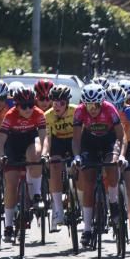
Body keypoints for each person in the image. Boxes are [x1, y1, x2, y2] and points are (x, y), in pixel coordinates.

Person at [72, 84, 124, 248]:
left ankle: (114, 202)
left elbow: (120, 136)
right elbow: (76, 139)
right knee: (88, 183)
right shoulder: (79, 111)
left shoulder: (110, 109)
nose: (92, 109)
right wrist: (77, 156)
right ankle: (87, 229)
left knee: (111, 164)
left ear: (101, 103)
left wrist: (119, 154)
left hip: (109, 141)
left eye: (95, 105)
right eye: (89, 105)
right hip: (90, 143)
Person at [0, 88, 46, 242]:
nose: (28, 109)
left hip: (30, 141)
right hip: (13, 145)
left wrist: (44, 154)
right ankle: (9, 226)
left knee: (35, 153)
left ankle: (36, 194)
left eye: (31, 104)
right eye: (24, 106)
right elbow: (0, 141)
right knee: (11, 185)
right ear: (16, 106)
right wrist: (1, 155)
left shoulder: (38, 113)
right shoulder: (10, 115)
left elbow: (44, 138)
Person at [105, 85, 130, 244]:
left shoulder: (129, 111)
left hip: (127, 146)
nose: (116, 109)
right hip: (109, 146)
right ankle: (108, 205)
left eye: (119, 105)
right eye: (112, 105)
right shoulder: (103, 112)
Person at [41, 85, 75, 230]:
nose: (56, 106)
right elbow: (47, 139)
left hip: (74, 140)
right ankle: (58, 210)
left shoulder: (76, 111)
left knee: (79, 168)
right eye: (54, 102)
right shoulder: (47, 116)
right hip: (58, 142)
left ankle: (76, 196)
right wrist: (44, 154)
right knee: (54, 166)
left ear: (67, 102)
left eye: (60, 103)